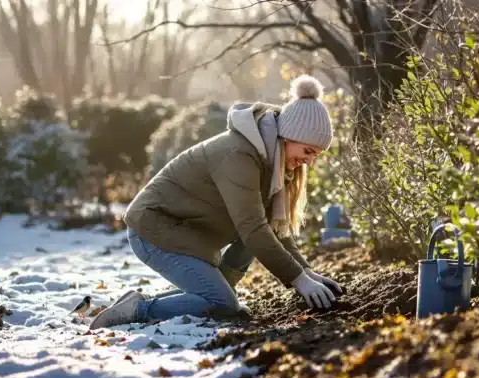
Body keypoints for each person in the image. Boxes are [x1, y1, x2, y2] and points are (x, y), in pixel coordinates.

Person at [90, 75, 343, 330]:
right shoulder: (240, 155)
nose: (309, 161)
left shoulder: (273, 163)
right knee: (224, 304)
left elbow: (273, 229)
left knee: (228, 287)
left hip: (185, 233)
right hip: (153, 230)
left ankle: (162, 300)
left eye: (316, 155)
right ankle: (137, 310)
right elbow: (253, 229)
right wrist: (298, 279)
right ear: (288, 136)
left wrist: (306, 273)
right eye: (308, 151)